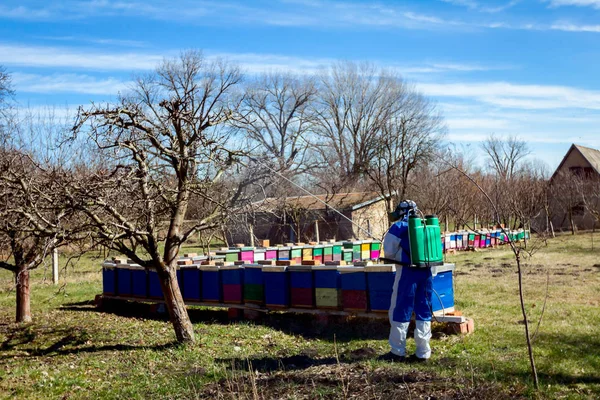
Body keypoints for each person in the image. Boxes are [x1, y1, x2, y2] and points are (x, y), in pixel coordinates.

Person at [381, 200, 433, 362]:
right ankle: (423, 352)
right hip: (426, 273)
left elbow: (388, 252)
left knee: (400, 309)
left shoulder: (398, 227)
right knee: (424, 310)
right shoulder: (427, 226)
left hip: (406, 273)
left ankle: (397, 351)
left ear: (401, 212)